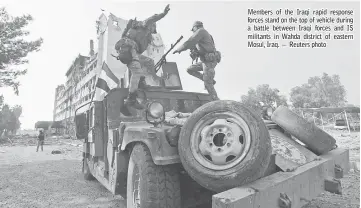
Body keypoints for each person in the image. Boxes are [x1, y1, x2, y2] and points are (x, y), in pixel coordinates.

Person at [115, 4, 171, 109]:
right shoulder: (144, 24)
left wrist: (155, 76)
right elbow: (153, 18)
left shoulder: (146, 35)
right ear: (152, 25)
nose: (153, 30)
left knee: (149, 62)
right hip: (129, 50)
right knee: (136, 72)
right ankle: (131, 99)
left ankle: (141, 82)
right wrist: (163, 13)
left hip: (134, 52)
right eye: (153, 27)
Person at [173, 21, 221, 101]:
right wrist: (194, 53)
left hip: (209, 61)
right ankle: (210, 80)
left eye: (193, 29)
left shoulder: (201, 31)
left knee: (208, 85)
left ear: (196, 27)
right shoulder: (203, 34)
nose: (193, 31)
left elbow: (190, 42)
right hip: (204, 61)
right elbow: (198, 48)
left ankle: (217, 101)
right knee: (190, 69)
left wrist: (179, 49)